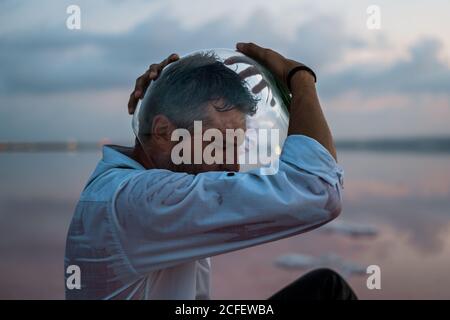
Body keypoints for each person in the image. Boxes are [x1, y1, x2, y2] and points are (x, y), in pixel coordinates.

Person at [64, 42, 357, 300]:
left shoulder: (129, 184)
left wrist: (165, 88)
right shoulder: (142, 199)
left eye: (236, 147)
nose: (232, 165)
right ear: (163, 130)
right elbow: (317, 189)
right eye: (219, 145)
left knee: (324, 288)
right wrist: (301, 79)